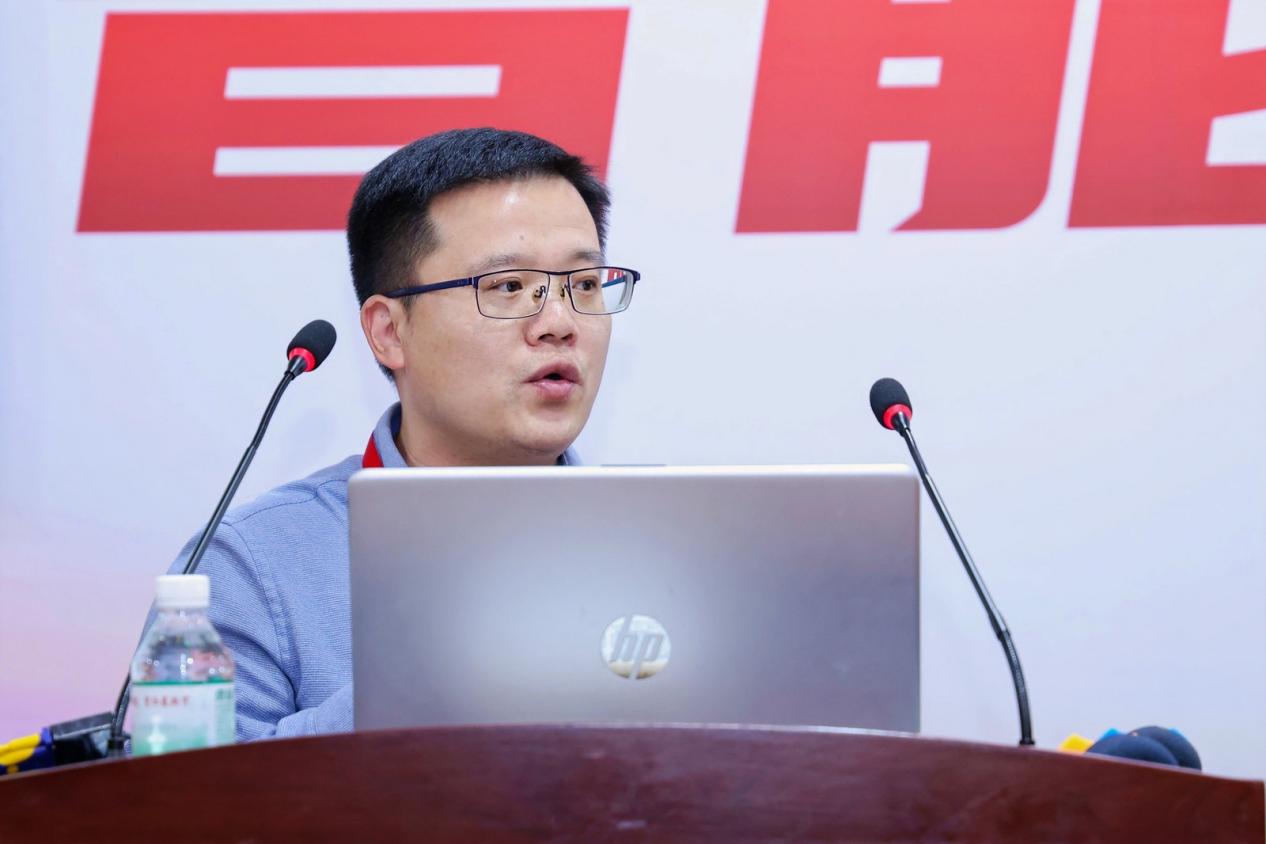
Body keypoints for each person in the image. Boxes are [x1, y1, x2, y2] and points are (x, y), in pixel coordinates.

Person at [161, 128, 638, 739]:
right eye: (508, 287)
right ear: (389, 331)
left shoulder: (662, 546)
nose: (560, 323)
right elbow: (198, 792)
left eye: (585, 284)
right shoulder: (250, 567)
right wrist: (440, 667)